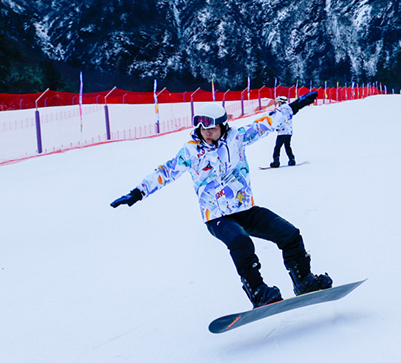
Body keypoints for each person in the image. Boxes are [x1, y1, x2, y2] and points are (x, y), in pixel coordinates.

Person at [111, 93, 331, 309]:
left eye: (212, 129)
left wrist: (294, 107)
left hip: (245, 209)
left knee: (289, 234)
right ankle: (258, 291)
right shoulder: (191, 151)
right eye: (203, 129)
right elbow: (166, 171)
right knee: (241, 242)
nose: (207, 133)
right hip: (216, 216)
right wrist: (138, 192)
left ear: (223, 126)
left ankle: (304, 281)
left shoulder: (237, 138)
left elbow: (267, 123)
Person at [270, 95, 295, 167]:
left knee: (277, 147)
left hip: (282, 131)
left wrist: (277, 127)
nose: (278, 102)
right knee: (287, 146)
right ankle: (292, 159)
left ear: (281, 102)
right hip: (289, 131)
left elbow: (281, 120)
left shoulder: (280, 109)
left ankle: (276, 162)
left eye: (279, 101)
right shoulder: (289, 108)